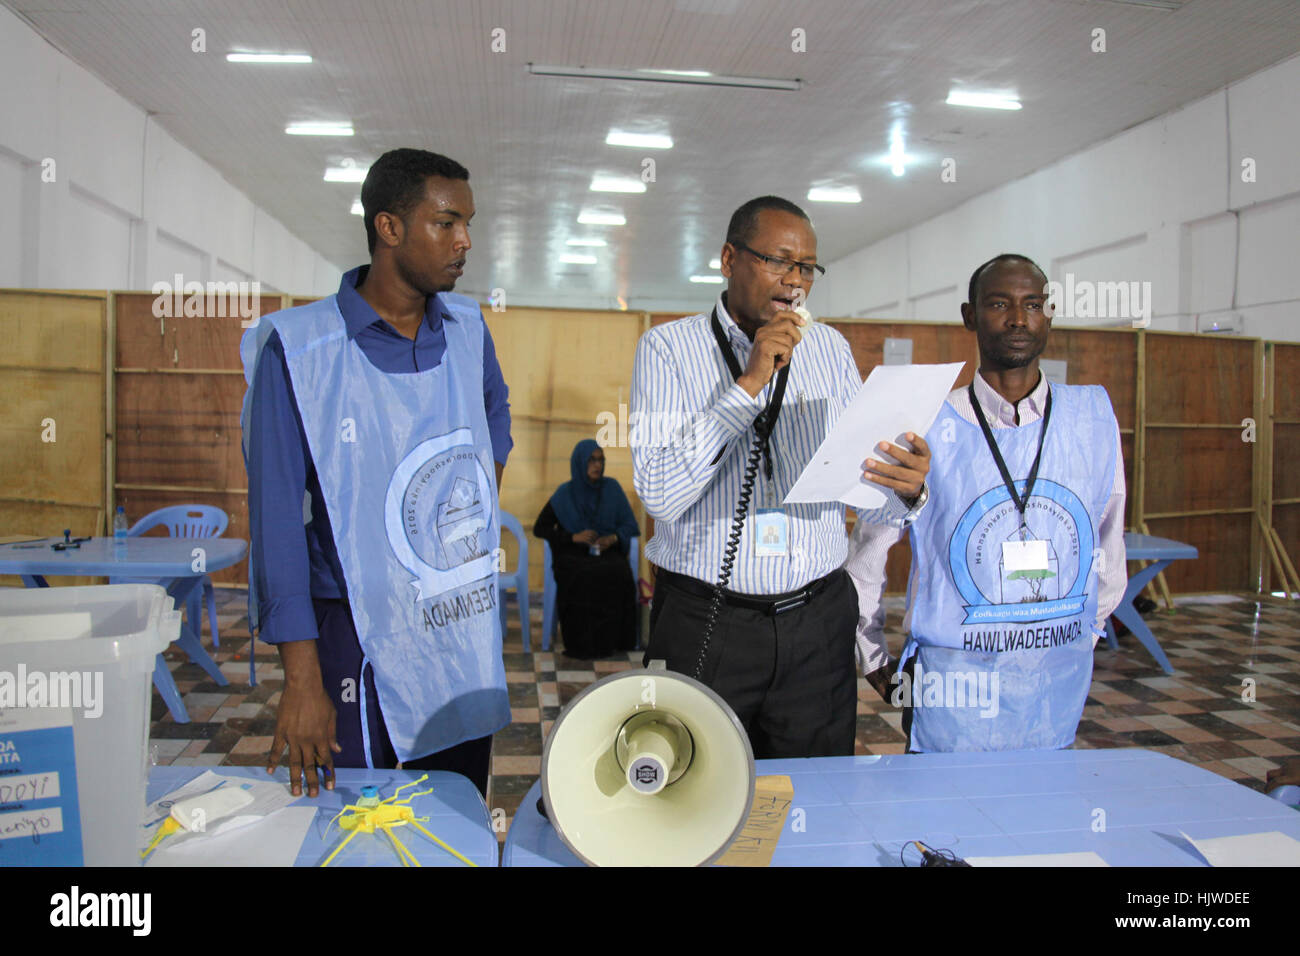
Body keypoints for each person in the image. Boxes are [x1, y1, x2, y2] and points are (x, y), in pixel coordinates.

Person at [243, 148, 513, 797]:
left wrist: (448, 533)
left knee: (455, 810)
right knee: (356, 821)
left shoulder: (470, 330)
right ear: (389, 228)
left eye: (468, 224)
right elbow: (276, 523)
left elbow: (494, 425)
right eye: (445, 223)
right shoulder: (301, 352)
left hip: (459, 629)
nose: (465, 241)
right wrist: (302, 681)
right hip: (354, 637)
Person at [630, 195, 931, 760]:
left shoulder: (830, 349)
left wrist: (905, 490)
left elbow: (864, 498)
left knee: (815, 800)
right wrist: (745, 387)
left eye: (807, 268)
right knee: (695, 789)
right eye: (779, 260)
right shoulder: (668, 349)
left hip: (816, 622)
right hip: (708, 618)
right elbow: (662, 495)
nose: (795, 280)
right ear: (728, 258)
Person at [847, 253, 1127, 753]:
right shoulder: (925, 423)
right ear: (970, 315)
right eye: (1000, 304)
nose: (1019, 319)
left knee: (1043, 816)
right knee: (946, 824)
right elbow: (869, 548)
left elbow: (1108, 529)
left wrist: (1090, 630)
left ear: (1049, 313)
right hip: (955, 685)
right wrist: (872, 658)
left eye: (1033, 304)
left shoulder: (1089, 417)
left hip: (1057, 677)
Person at [533, 439, 640, 658]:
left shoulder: (612, 489)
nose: (597, 465)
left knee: (618, 571)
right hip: (572, 553)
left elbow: (630, 525)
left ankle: (615, 643)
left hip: (604, 551)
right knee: (581, 574)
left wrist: (613, 537)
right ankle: (581, 645)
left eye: (600, 460)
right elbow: (540, 528)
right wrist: (573, 537)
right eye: (591, 459)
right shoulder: (565, 494)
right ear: (579, 462)